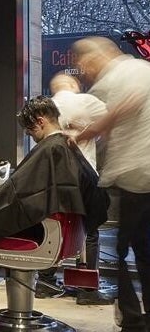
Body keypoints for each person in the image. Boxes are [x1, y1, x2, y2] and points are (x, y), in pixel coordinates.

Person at [0, 96, 107, 283]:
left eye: (30, 132)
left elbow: (11, 196)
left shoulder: (50, 149)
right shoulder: (66, 144)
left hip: (38, 233)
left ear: (40, 121)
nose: (31, 137)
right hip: (60, 233)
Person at [73, 36, 150, 332]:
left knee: (124, 253)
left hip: (139, 176)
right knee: (141, 255)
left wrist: (84, 134)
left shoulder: (112, 79)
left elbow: (120, 109)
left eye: (83, 63)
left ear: (93, 59)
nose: (82, 70)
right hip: (141, 177)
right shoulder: (141, 68)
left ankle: (134, 331)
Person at [46, 72, 112, 305]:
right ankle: (86, 289)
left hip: (54, 177)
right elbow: (112, 122)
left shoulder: (48, 106)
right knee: (90, 230)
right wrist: (87, 132)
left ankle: (45, 281)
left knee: (56, 225)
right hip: (84, 176)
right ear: (74, 84)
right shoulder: (87, 102)